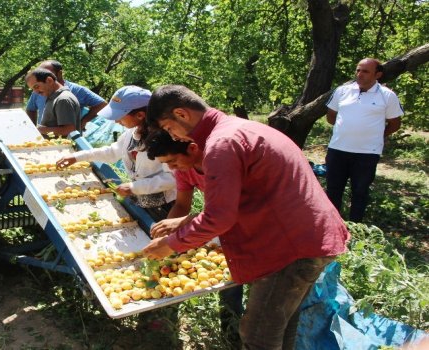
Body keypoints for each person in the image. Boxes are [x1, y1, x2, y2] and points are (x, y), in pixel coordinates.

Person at [142, 85, 350, 349]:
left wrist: (170, 244)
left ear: (181, 114)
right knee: (280, 326)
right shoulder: (238, 128)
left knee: (258, 334)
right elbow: (239, 200)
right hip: (306, 237)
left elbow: (219, 217)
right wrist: (184, 222)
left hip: (291, 248)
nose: (175, 137)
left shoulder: (222, 143)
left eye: (170, 129)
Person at [145, 131, 244, 347]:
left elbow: (230, 210)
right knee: (224, 274)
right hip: (219, 224)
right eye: (165, 164)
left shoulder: (218, 163)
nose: (171, 168)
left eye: (172, 161)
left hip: (245, 226)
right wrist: (168, 235)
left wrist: (182, 227)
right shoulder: (184, 169)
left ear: (191, 148)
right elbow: (181, 204)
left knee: (234, 282)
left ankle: (233, 334)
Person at [56, 86, 176, 221]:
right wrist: (78, 156)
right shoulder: (131, 134)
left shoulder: (164, 140)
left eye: (120, 116)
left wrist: (134, 187)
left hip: (163, 206)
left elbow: (173, 179)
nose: (116, 121)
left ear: (140, 115)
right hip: (139, 199)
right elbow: (112, 152)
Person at [325, 58, 403, 222]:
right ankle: (331, 225)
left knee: (360, 191)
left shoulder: (387, 96)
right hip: (338, 150)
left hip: (367, 153)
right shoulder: (342, 91)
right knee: (333, 190)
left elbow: (395, 123)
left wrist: (375, 135)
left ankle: (354, 228)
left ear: (378, 74)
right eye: (358, 70)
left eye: (365, 71)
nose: (360, 74)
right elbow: (331, 116)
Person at [25, 60, 107, 128]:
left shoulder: (75, 91)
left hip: (65, 140)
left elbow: (102, 104)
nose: (42, 74)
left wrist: (83, 121)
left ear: (59, 73)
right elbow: (31, 109)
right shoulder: (38, 90)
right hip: (45, 137)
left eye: (47, 72)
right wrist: (33, 129)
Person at [25, 68, 81, 137]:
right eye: (33, 89)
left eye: (36, 86)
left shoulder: (63, 99)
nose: (36, 92)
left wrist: (41, 129)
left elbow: (69, 130)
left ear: (49, 80)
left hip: (64, 147)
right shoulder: (53, 97)